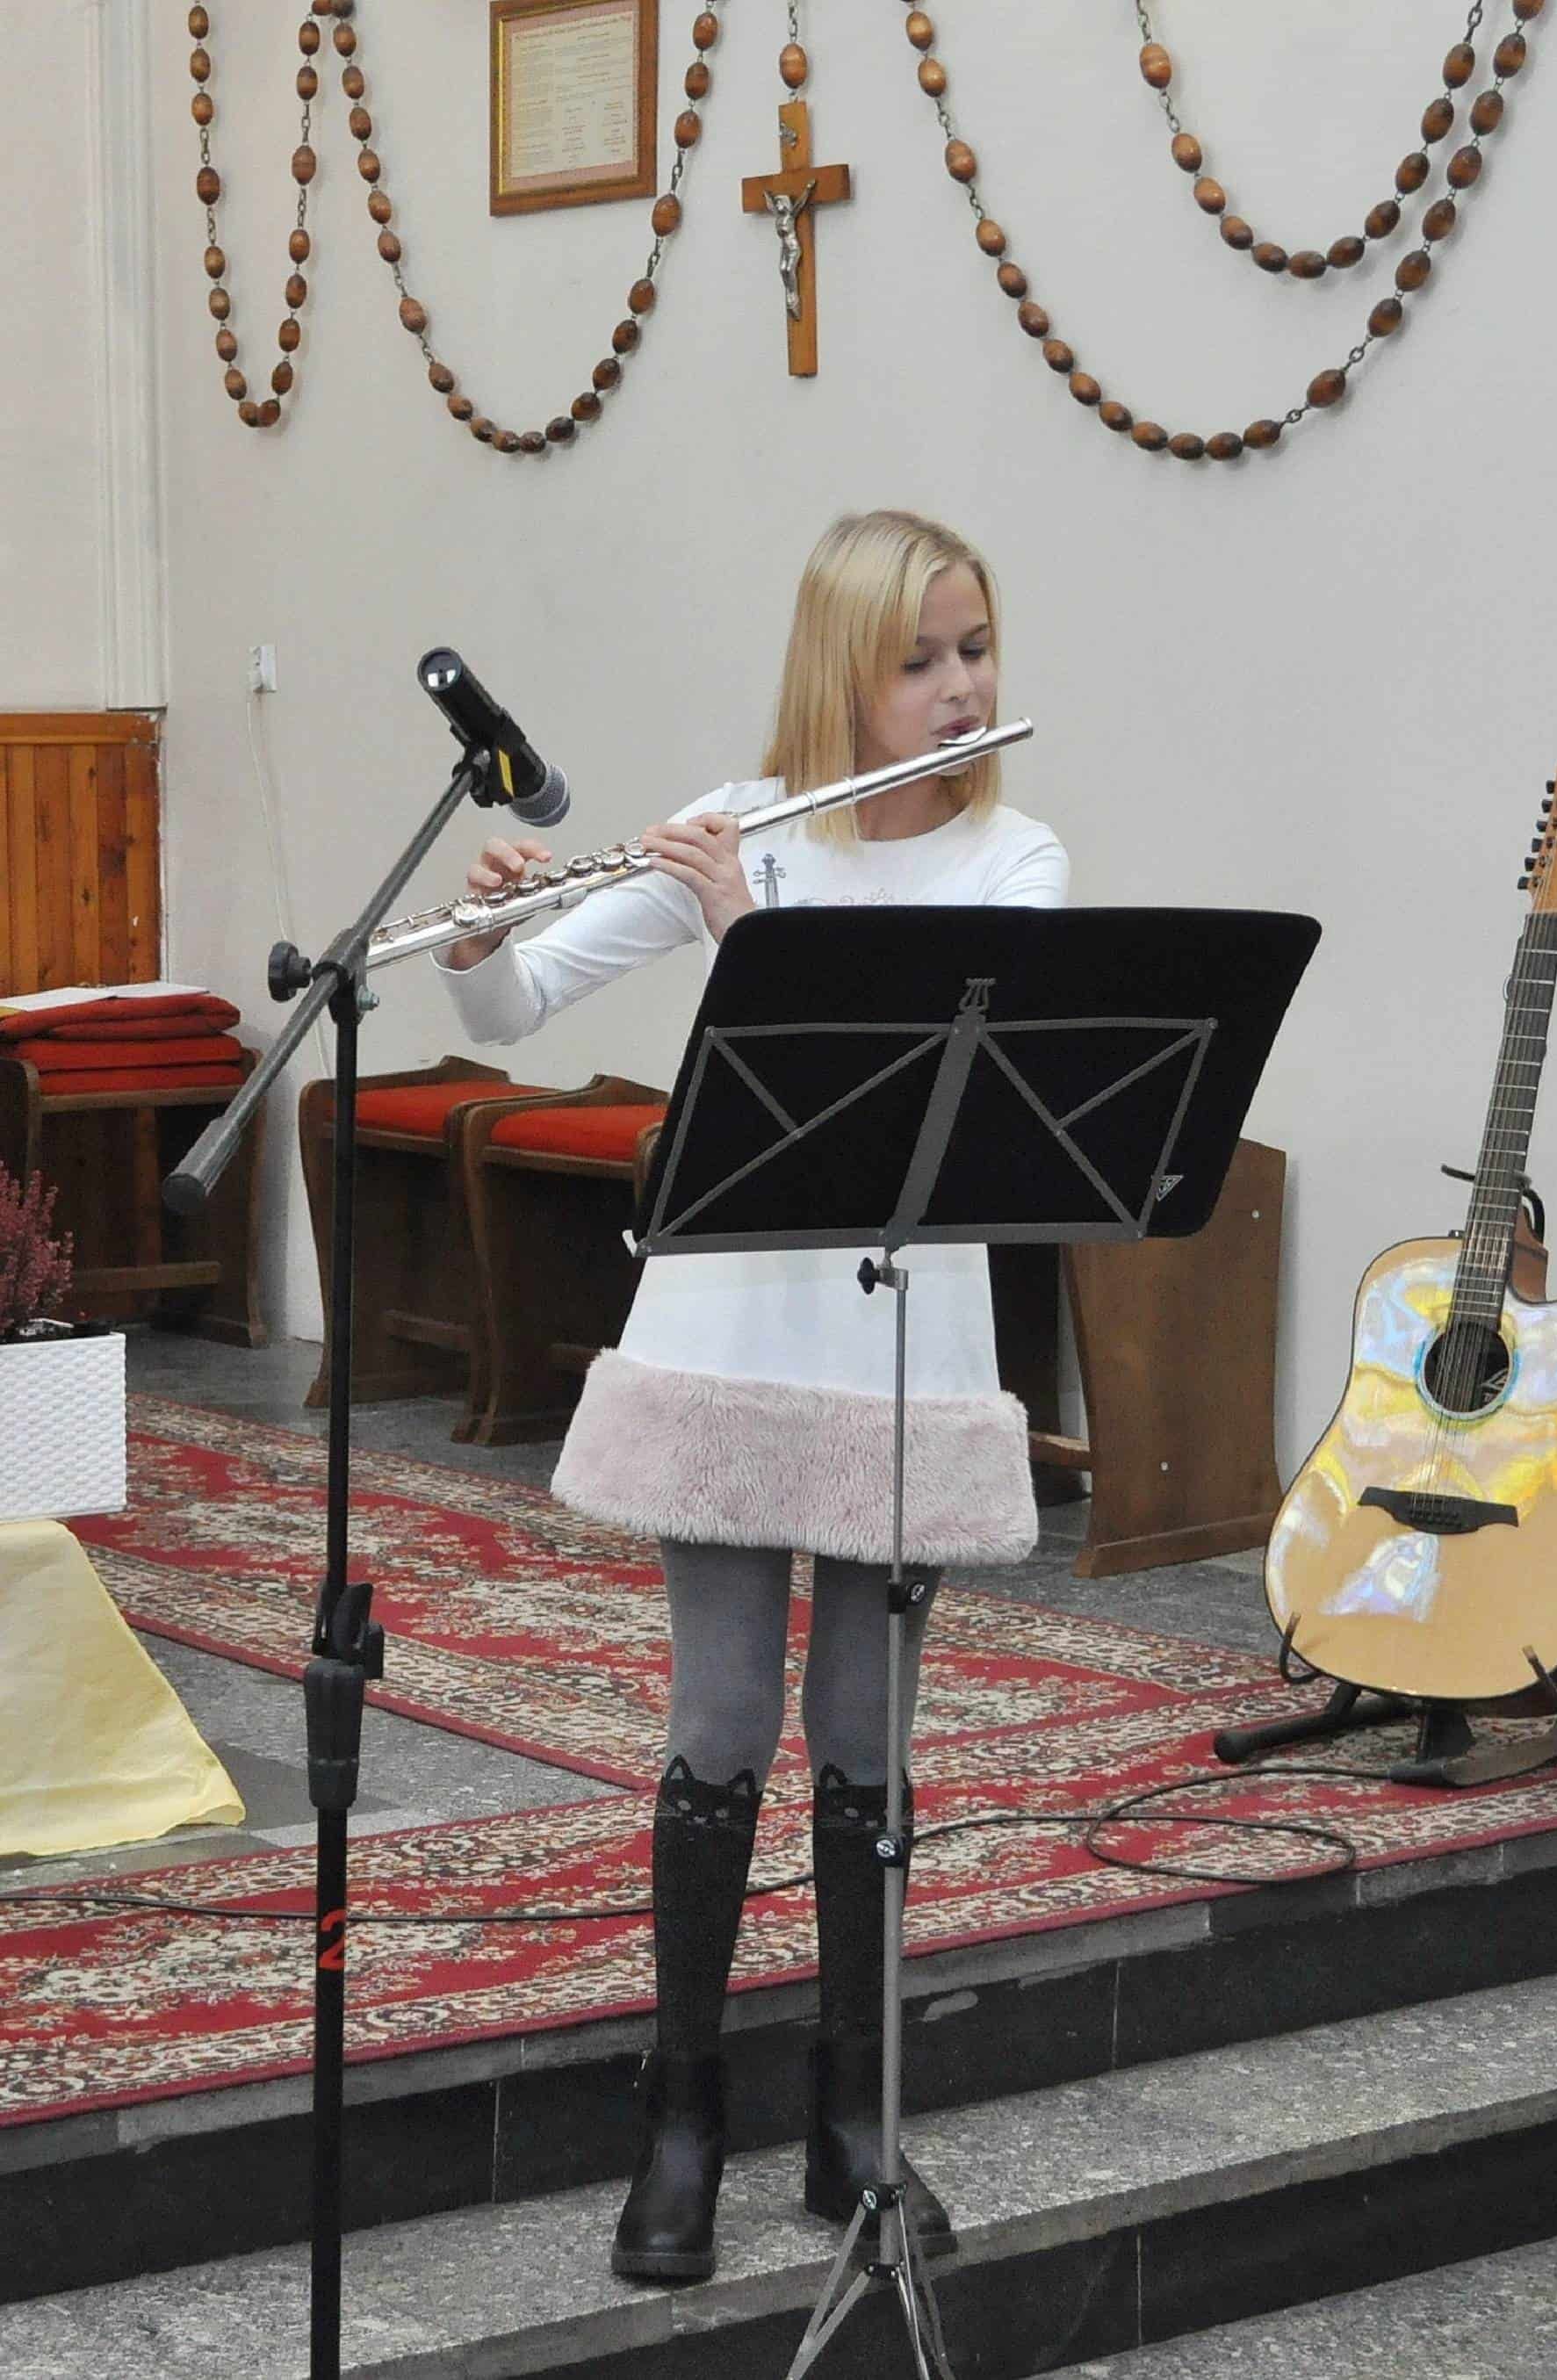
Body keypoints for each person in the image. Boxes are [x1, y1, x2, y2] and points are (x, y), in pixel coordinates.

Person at [438, 509, 1070, 2284]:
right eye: (920, 660)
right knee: (719, 1722)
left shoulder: (1017, 861)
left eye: (975, 648)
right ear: (841, 674)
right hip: (731, 1330)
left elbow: (913, 1103)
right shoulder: (747, 823)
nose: (961, 687)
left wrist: (751, 933)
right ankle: (684, 2111)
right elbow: (514, 1006)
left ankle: (854, 2113)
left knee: (866, 1736)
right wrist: (487, 930)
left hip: (899, 1342)